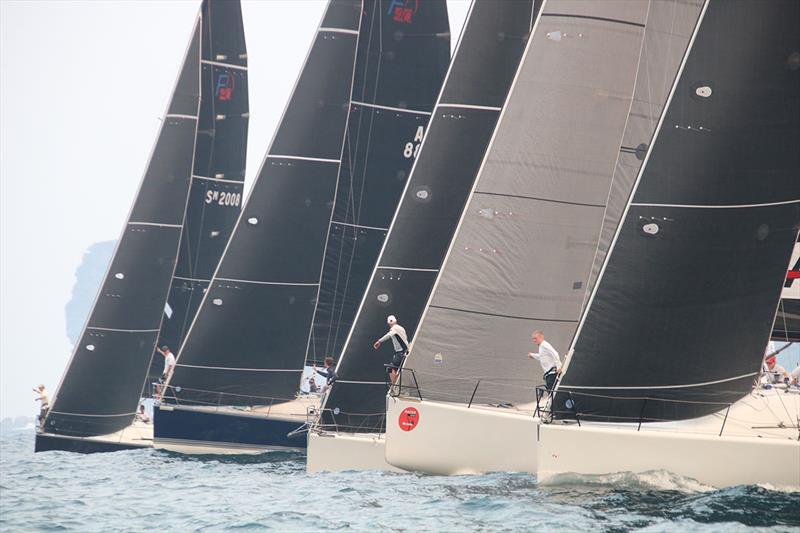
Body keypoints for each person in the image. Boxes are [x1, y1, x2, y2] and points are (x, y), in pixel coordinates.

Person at [373, 315, 409, 385]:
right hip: (405, 353)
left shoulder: (394, 329)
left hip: (400, 353)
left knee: (390, 368)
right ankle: (397, 384)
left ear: (389, 324)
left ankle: (394, 385)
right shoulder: (402, 328)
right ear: (396, 321)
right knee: (397, 370)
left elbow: (389, 335)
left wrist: (379, 341)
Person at [528, 330, 562, 395]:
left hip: (552, 374)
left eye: (535, 338)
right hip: (548, 375)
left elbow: (555, 353)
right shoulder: (541, 346)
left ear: (541, 337)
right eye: (533, 339)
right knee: (551, 394)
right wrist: (532, 355)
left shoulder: (544, 344)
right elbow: (541, 357)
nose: (534, 340)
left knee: (552, 394)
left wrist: (559, 366)